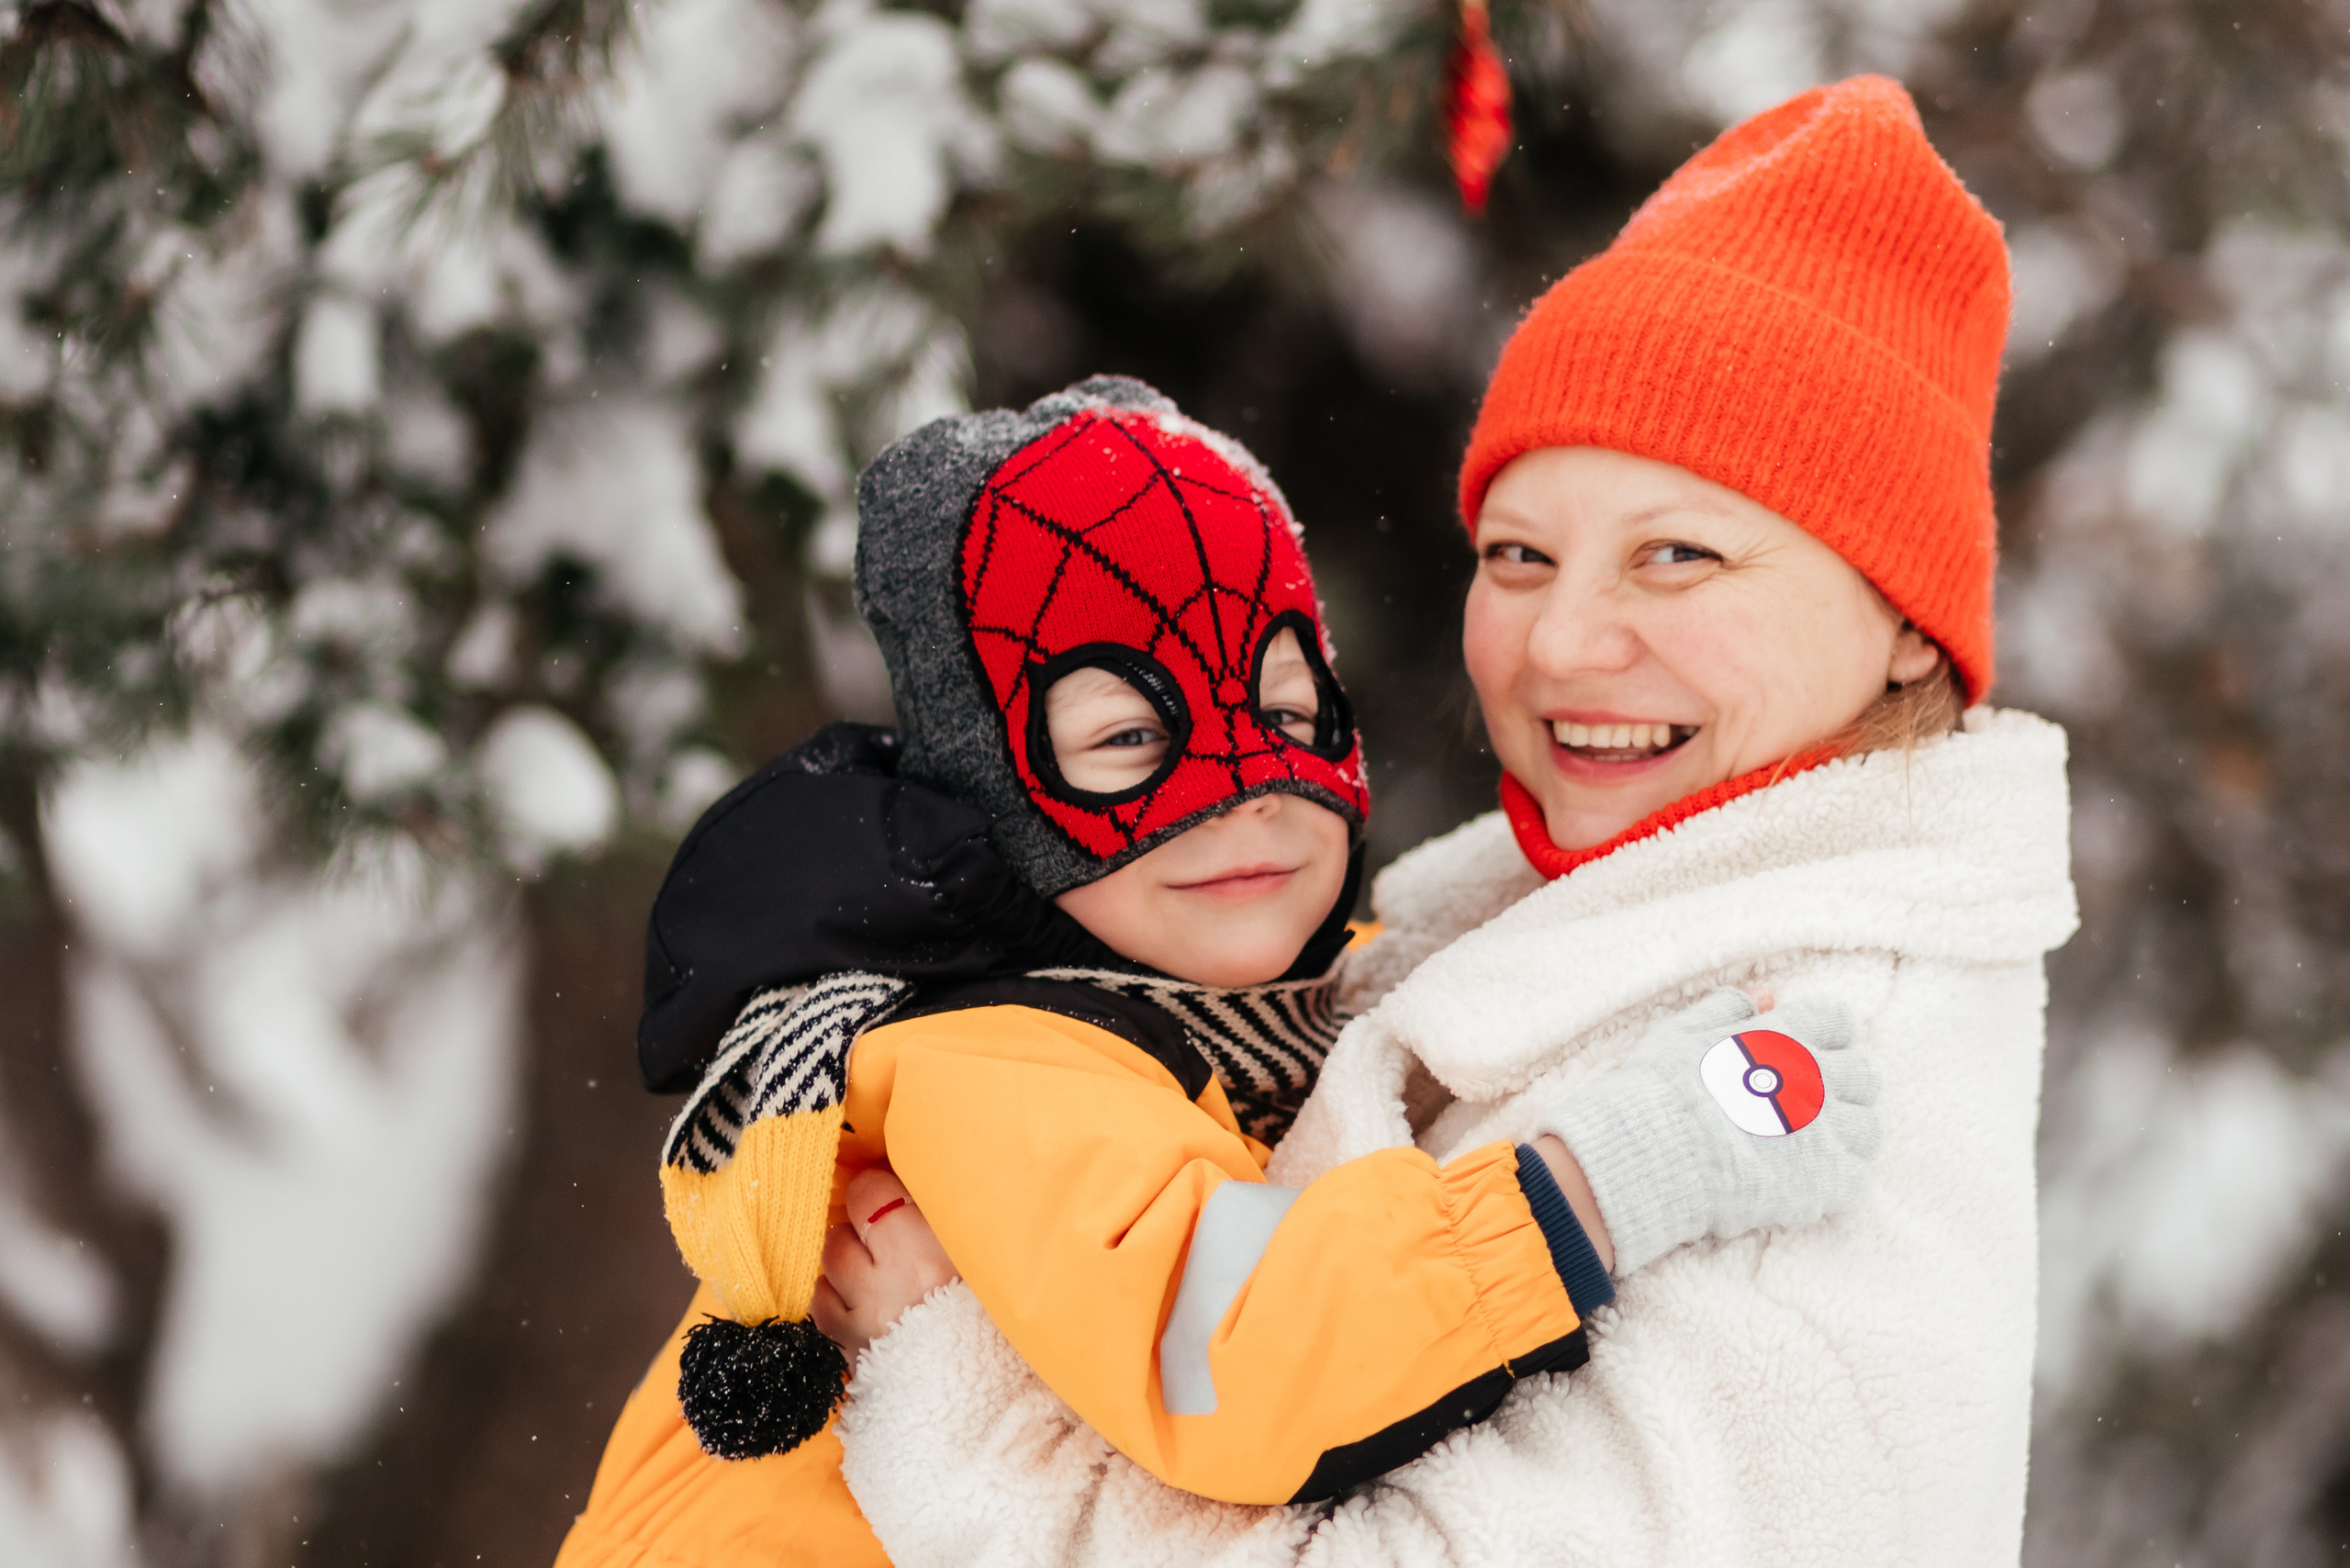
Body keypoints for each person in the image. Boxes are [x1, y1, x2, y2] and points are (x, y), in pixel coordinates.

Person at [821, 75, 2080, 1567]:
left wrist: (953, 1392)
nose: (1560, 645)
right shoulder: (1508, 921)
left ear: (1908, 631)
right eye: (1521, 553)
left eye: (1679, 555)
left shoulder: (1799, 1101)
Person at [552, 378, 1882, 1567]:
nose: (1244, 796)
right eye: (1129, 741)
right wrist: (1620, 1169)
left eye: (1288, 714)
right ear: (1001, 799)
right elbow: (1248, 1364)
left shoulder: (1187, 1028)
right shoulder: (1004, 1070)